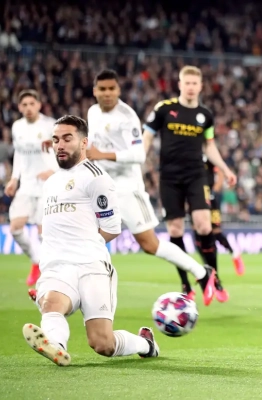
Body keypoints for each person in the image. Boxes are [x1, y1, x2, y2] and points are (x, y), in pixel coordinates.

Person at [23, 115, 159, 366]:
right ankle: (56, 347)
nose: (60, 145)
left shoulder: (96, 178)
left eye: (67, 139)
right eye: (56, 139)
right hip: (57, 266)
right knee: (51, 304)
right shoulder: (51, 182)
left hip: (91, 265)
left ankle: (146, 344)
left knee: (103, 344)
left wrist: (83, 244)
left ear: (84, 142)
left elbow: (112, 228)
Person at [85, 69, 216, 306]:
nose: (107, 93)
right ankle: (62, 288)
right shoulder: (92, 112)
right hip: (99, 186)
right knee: (86, 235)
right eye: (102, 89)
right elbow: (92, 148)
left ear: (118, 90)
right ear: (95, 91)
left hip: (127, 188)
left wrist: (102, 155)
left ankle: (201, 272)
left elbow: (138, 155)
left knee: (149, 244)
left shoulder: (127, 117)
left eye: (111, 89)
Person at [142, 65, 237, 303]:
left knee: (204, 225)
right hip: (169, 178)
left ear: (201, 86)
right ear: (180, 85)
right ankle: (185, 283)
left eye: (195, 83)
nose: (191, 87)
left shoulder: (205, 115)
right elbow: (147, 136)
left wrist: (225, 169)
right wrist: (138, 162)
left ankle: (214, 277)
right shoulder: (164, 109)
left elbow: (210, 146)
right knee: (175, 230)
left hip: (196, 175)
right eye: (187, 83)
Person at [5, 90, 58, 290]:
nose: (28, 108)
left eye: (31, 103)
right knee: (15, 228)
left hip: (47, 186)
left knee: (44, 232)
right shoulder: (17, 127)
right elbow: (19, 154)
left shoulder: (50, 125)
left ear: (39, 105)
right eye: (24, 104)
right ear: (19, 107)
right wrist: (14, 179)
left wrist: (54, 170)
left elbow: (62, 150)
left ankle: (48, 272)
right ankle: (36, 261)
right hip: (26, 185)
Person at [196, 155, 245, 302]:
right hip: (195, 197)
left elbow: (220, 171)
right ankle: (208, 273)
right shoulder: (191, 153)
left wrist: (215, 190)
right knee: (199, 234)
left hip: (210, 198)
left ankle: (234, 254)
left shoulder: (208, 155)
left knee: (216, 232)